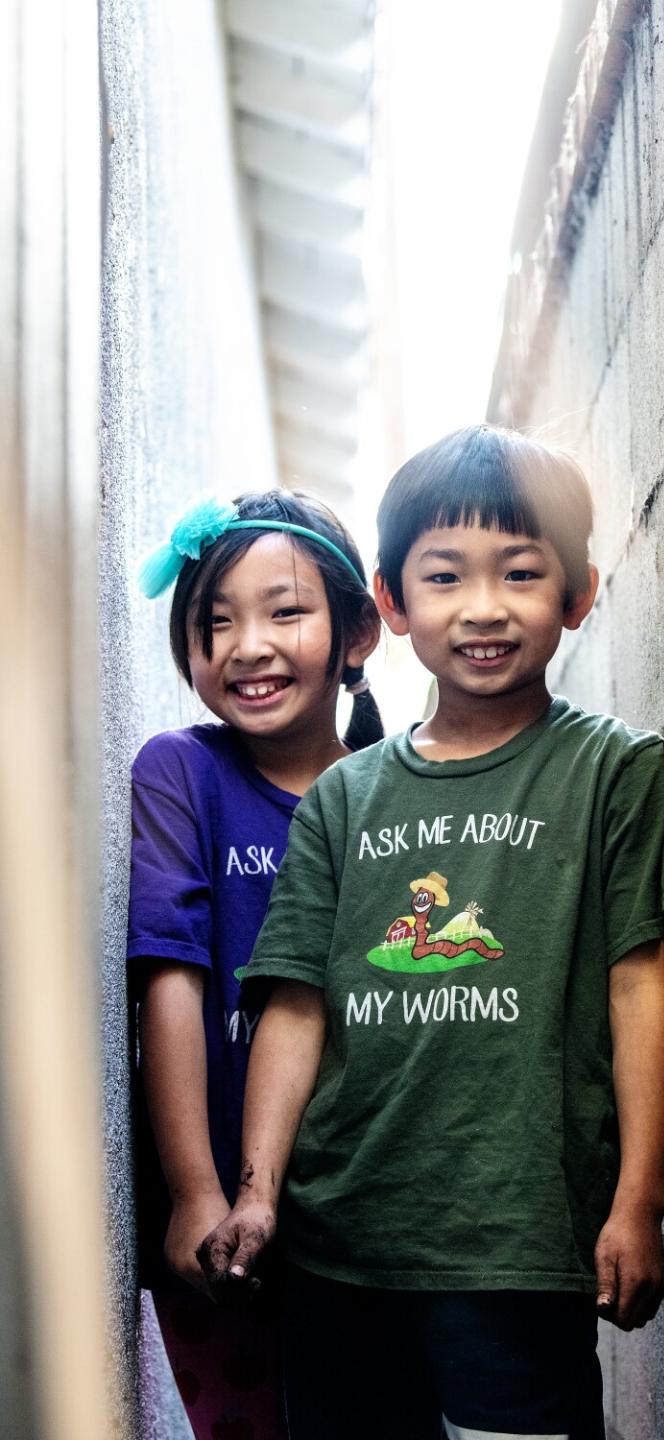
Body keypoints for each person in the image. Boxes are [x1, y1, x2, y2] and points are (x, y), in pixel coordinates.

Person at [200, 426, 664, 1440]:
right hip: (342, 1248)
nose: (484, 607)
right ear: (393, 602)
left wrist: (639, 1201)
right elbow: (294, 1003)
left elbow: (638, 984)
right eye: (446, 575)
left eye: (520, 571)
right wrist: (257, 1195)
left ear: (579, 592)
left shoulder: (611, 771)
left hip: (519, 1244)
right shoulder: (342, 798)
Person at [128, 489, 381, 1440]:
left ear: (358, 630)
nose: (248, 645)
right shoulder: (178, 774)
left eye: (285, 610)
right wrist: (197, 1187)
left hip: (368, 1224)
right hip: (214, 1238)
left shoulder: (397, 790)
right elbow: (171, 979)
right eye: (215, 621)